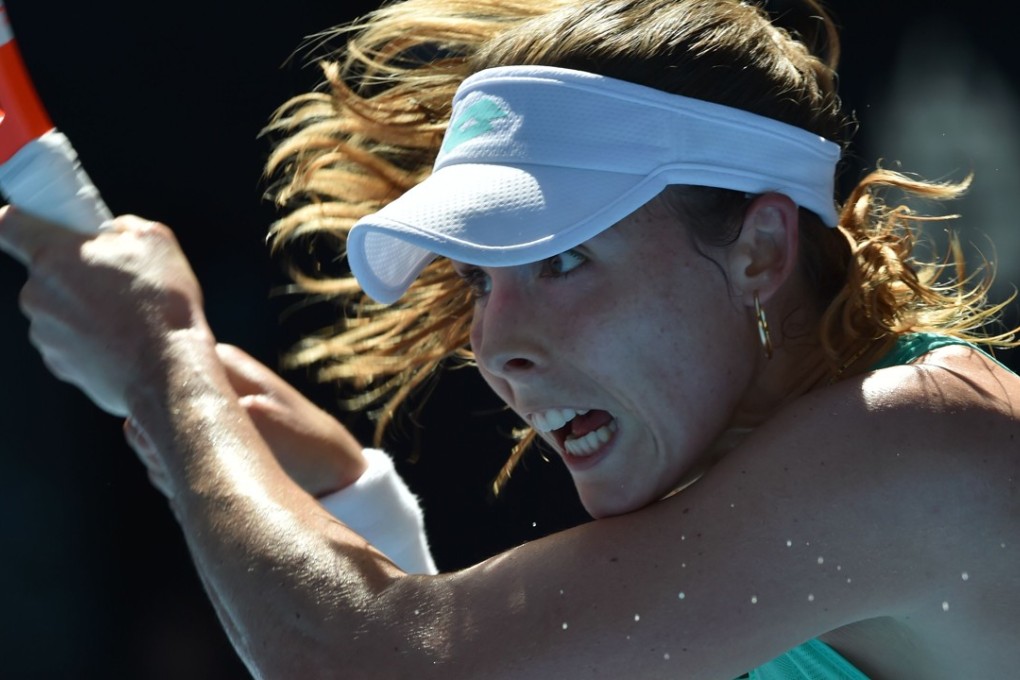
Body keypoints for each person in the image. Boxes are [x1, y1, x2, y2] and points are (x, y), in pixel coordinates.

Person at [1, 0, 1018, 677]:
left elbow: (379, 665)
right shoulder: (777, 510)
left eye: (562, 259)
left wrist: (163, 356)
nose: (498, 346)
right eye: (481, 279)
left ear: (760, 248)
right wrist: (362, 509)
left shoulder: (928, 441)